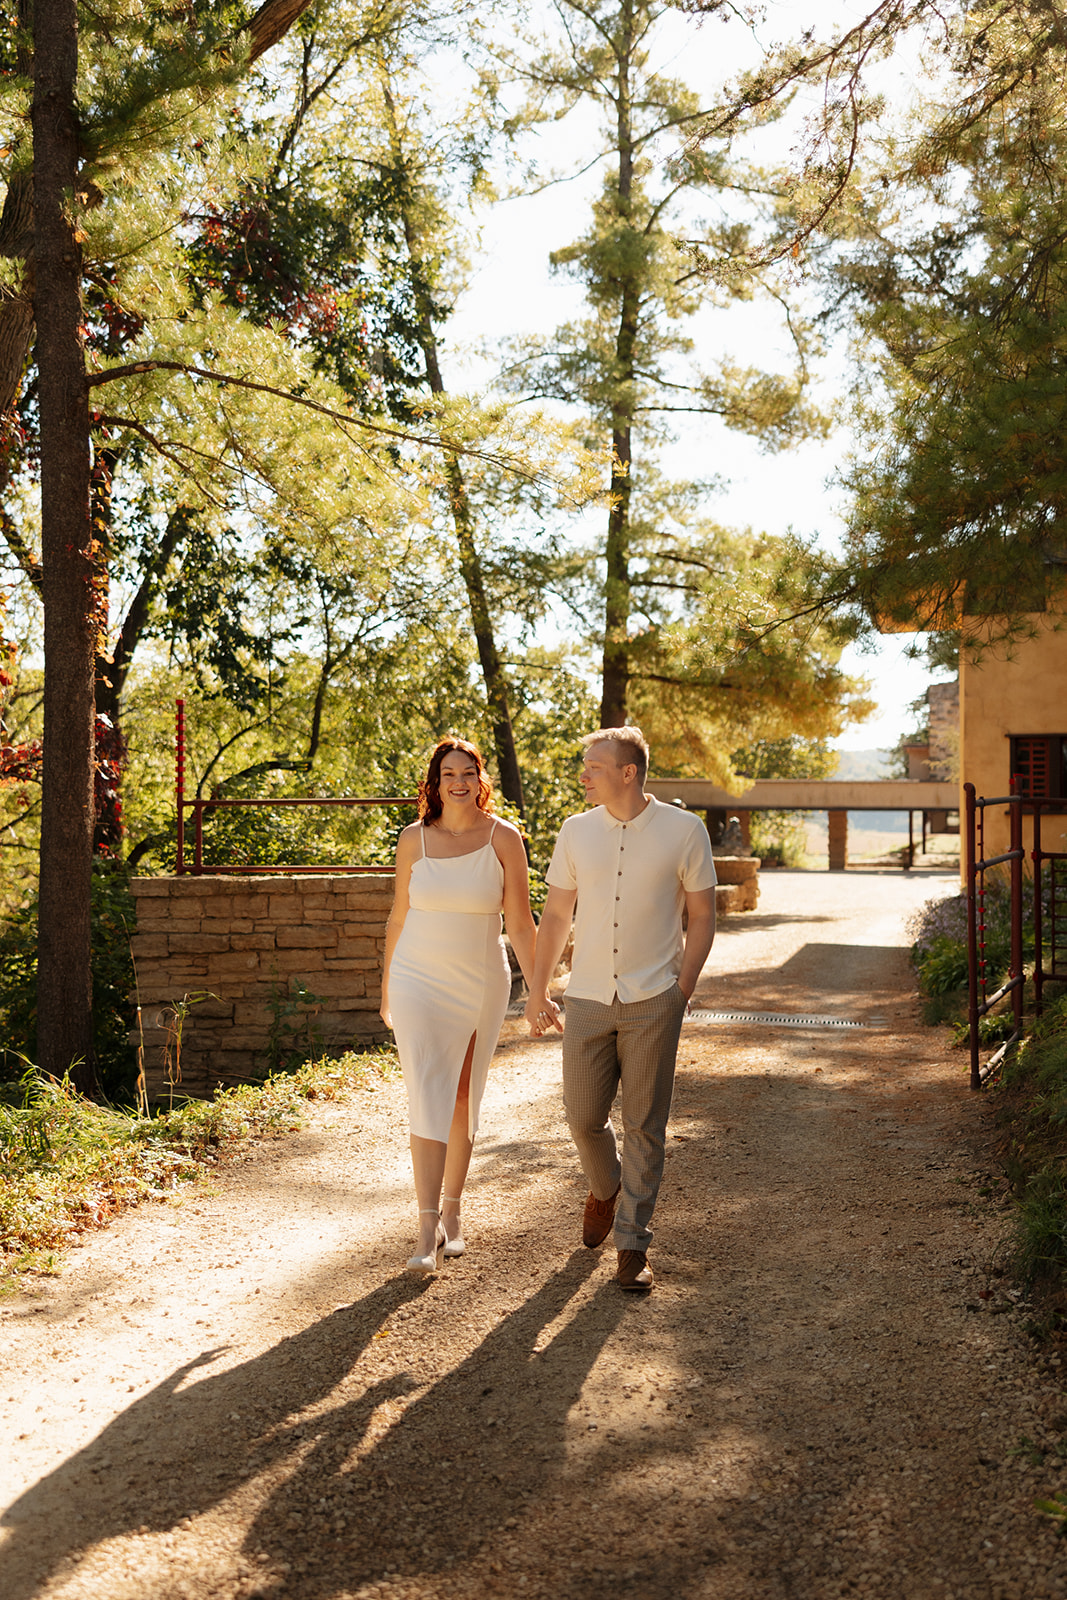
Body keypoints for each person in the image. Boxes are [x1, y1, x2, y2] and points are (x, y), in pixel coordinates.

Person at [524, 727, 717, 1292]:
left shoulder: (685, 831)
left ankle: (633, 1244)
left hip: (654, 996)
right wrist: (539, 989)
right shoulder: (575, 831)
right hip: (585, 996)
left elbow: (702, 916)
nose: (583, 775)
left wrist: (681, 989)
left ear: (627, 772)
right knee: (582, 1116)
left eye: (594, 766)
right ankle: (605, 1187)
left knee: (644, 1124)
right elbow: (557, 915)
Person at [382, 737, 536, 1273]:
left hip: (479, 980)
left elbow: (520, 921)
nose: (458, 781)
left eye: (467, 771)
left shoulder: (504, 839)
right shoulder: (412, 840)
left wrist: (539, 990)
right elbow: (398, 916)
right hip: (415, 979)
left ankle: (453, 1208)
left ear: (480, 779)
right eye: (448, 772)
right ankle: (426, 1227)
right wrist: (385, 988)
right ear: (435, 781)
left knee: (463, 1095)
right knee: (427, 1090)